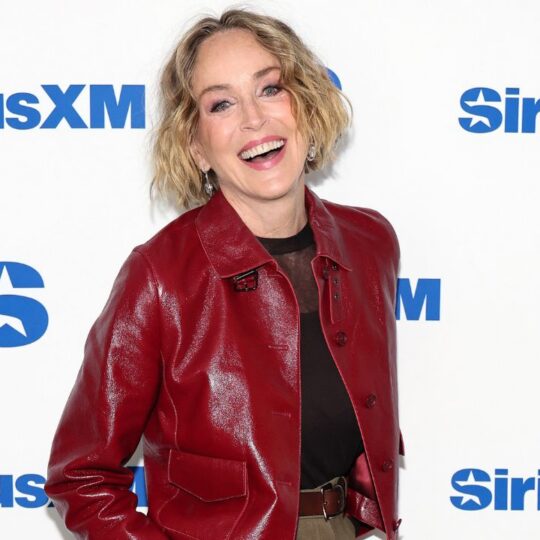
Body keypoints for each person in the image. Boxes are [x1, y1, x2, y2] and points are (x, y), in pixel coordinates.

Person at [45, 8, 403, 540]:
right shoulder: (160, 276)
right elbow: (81, 475)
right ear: (195, 146)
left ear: (307, 104)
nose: (254, 120)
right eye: (221, 104)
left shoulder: (370, 244)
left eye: (270, 89)